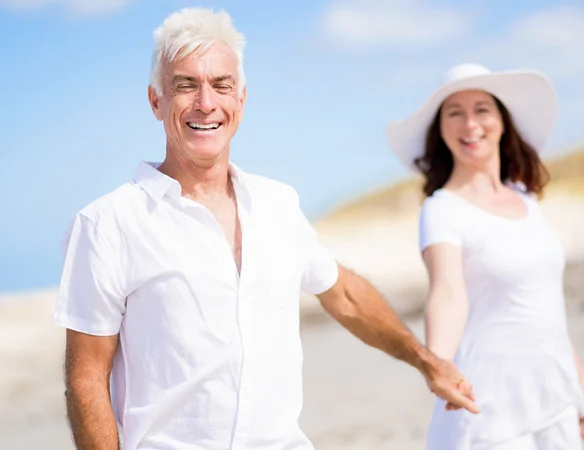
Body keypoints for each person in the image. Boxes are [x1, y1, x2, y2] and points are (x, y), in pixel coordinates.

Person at [52, 8, 479, 450]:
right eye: (185, 85)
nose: (205, 103)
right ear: (156, 100)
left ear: (241, 99)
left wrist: (428, 362)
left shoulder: (277, 204)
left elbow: (344, 295)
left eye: (221, 85)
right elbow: (86, 379)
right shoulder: (107, 223)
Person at [385, 63, 584, 449]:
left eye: (482, 109)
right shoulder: (442, 208)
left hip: (555, 396)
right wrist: (441, 365)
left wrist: (581, 380)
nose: (470, 124)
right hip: (490, 406)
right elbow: (447, 292)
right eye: (455, 112)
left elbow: (543, 303)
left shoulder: (525, 197)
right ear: (441, 131)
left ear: (502, 121)